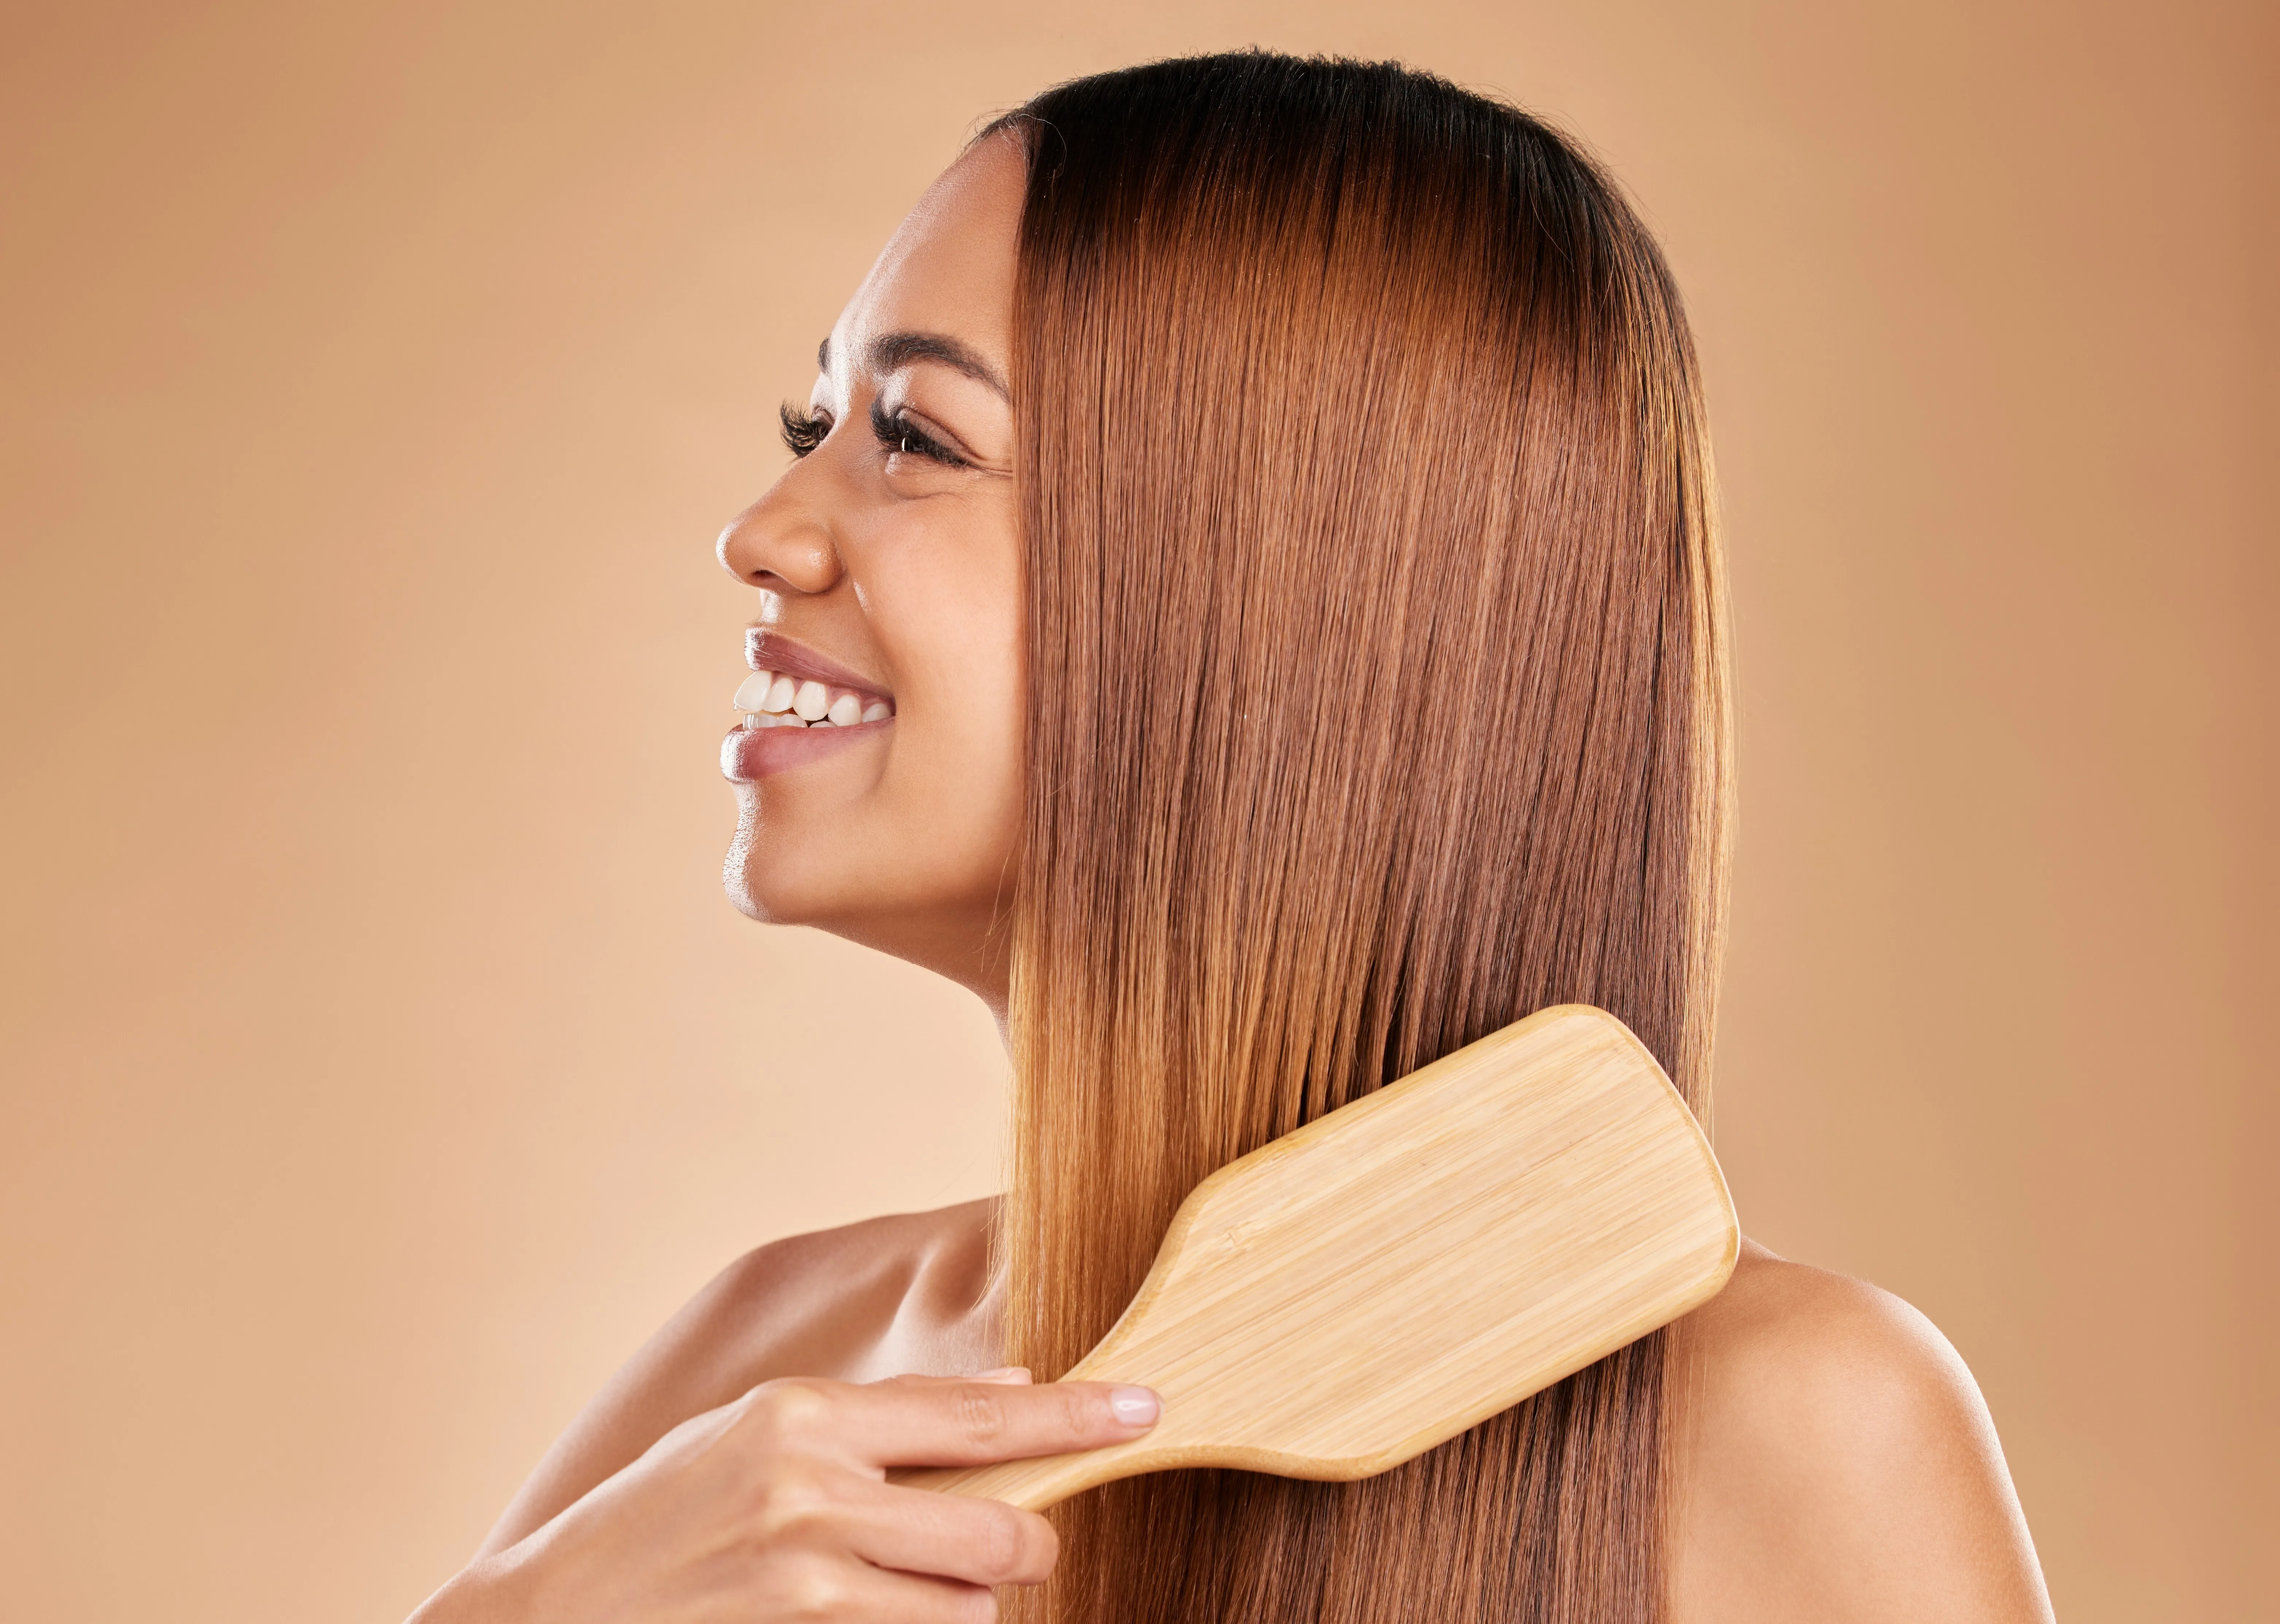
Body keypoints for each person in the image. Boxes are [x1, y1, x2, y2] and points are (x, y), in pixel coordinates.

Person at [409, 52, 2055, 1624]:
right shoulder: (763, 1365)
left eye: (912, 438)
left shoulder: (1788, 1428)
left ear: (1286, 596)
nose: (762, 532)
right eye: (813, 428)